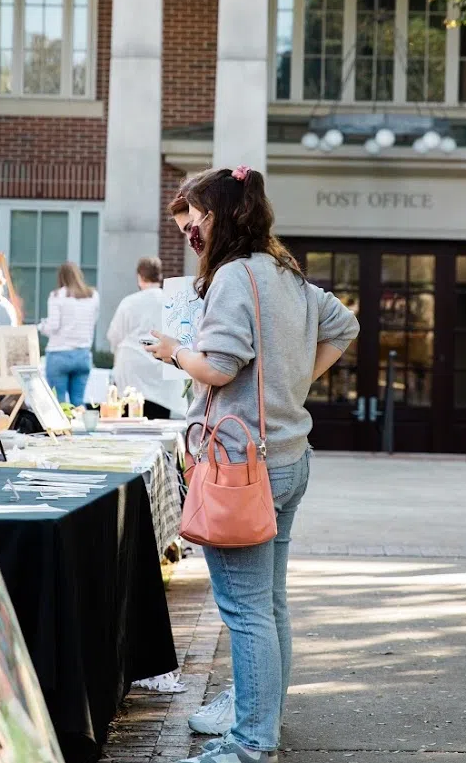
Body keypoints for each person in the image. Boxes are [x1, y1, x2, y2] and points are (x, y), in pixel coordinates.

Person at [146, 165, 359, 763]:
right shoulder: (284, 272)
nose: (192, 231)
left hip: (242, 463)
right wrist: (293, 387)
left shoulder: (236, 276)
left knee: (245, 610)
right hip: (288, 456)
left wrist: (173, 351)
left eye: (196, 219)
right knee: (268, 602)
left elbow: (218, 366)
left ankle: (251, 739)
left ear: (218, 217)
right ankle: (259, 715)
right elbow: (346, 325)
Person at [108, 256, 183, 419]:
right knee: (159, 421)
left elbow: (115, 336)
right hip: (162, 369)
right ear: (160, 276)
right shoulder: (172, 301)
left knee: (130, 423)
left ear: (140, 277)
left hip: (132, 371)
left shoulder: (129, 302)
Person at [38, 262, 99, 406]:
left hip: (59, 354)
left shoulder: (57, 295)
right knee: (78, 402)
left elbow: (53, 326)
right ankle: (82, 427)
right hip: (82, 355)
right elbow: (93, 321)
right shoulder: (93, 295)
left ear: (61, 277)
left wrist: (41, 326)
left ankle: (61, 429)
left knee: (58, 404)